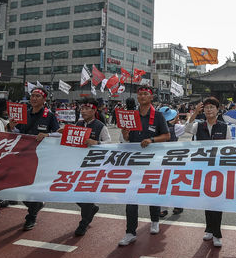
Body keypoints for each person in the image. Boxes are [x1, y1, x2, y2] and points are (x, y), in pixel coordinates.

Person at [118, 86, 170, 246]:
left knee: (152, 192)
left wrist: (152, 140)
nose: (142, 96)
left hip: (153, 162)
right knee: (131, 196)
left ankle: (155, 220)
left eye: (145, 94)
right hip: (134, 162)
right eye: (139, 94)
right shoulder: (131, 116)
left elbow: (167, 136)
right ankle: (130, 231)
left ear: (151, 97)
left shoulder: (159, 116)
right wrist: (125, 133)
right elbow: (126, 139)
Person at [185, 97, 230, 247]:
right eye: (206, 108)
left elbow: (230, 147)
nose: (209, 110)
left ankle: (217, 234)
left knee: (217, 201)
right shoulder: (198, 125)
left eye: (212, 107)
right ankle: (209, 229)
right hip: (203, 168)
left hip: (219, 169)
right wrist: (194, 113)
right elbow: (187, 128)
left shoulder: (224, 127)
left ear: (218, 110)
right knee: (207, 199)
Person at [13, 88, 60, 230]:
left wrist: (47, 135)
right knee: (18, 188)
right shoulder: (24, 114)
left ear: (44, 99)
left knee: (35, 188)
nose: (34, 98)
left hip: (42, 158)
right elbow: (17, 132)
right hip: (24, 155)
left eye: (37, 96)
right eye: (32, 96)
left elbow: (58, 134)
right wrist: (11, 126)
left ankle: (31, 217)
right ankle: (37, 205)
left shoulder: (49, 116)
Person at [71, 98, 111, 236]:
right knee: (72, 192)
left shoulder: (100, 126)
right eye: (81, 109)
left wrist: (96, 143)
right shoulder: (78, 123)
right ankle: (91, 209)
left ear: (94, 110)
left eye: (86, 108)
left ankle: (83, 223)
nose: (83, 111)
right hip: (78, 163)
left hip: (94, 165)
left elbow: (109, 144)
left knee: (86, 195)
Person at [158, 106, 184, 217]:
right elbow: (188, 126)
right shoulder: (176, 128)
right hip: (174, 159)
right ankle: (177, 205)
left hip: (161, 159)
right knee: (175, 182)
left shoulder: (156, 128)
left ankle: (163, 208)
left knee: (163, 183)